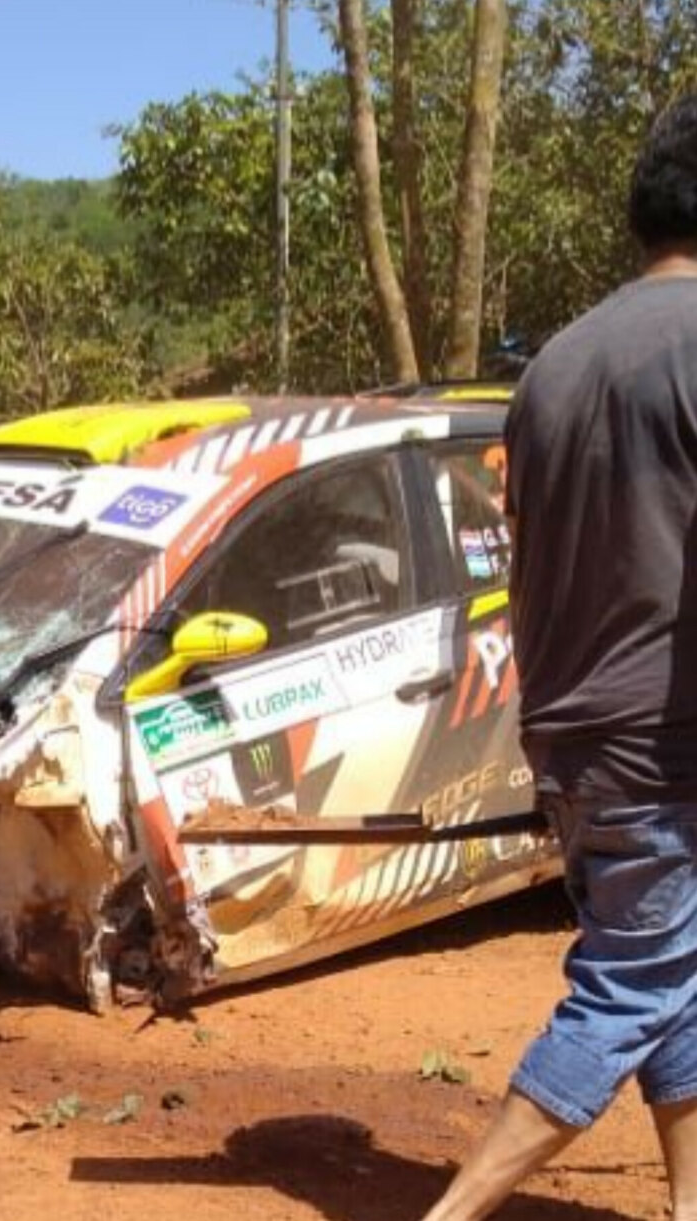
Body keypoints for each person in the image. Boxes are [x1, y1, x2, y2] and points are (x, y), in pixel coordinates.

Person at [420, 92, 697, 1221]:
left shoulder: (553, 365)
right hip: (665, 738)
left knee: (669, 976)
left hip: (572, 728)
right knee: (632, 981)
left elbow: (528, 554)